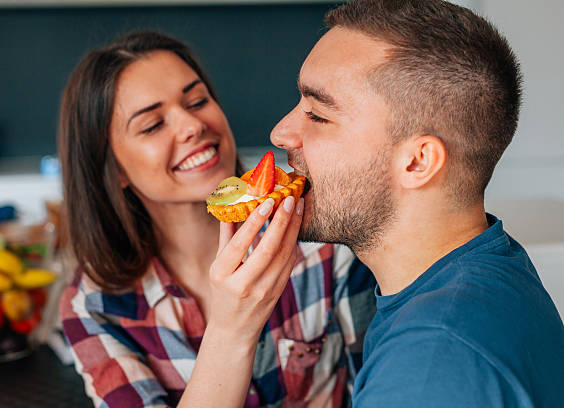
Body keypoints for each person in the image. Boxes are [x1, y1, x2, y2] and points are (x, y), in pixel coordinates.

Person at [250, 0, 564, 406]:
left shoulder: (431, 363)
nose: (280, 133)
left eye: (318, 114)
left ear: (417, 162)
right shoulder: (487, 265)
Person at [58, 32, 376, 407]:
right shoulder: (94, 305)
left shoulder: (324, 241)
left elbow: (377, 390)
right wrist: (230, 330)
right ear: (114, 172)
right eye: (152, 125)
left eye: (197, 100)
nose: (192, 125)